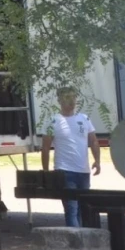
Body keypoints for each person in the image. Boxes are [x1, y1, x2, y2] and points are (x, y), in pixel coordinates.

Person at [41, 87, 101, 227]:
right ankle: (75, 242)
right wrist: (45, 170)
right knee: (71, 209)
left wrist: (97, 161)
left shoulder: (84, 118)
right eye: (68, 98)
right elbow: (45, 147)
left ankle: (83, 240)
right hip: (64, 171)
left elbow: (93, 141)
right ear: (60, 101)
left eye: (74, 97)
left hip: (83, 171)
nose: (72, 101)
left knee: (84, 207)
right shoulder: (53, 121)